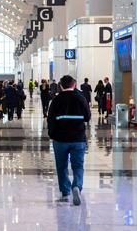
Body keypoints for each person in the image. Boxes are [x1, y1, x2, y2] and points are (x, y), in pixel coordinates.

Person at [47, 75, 91, 206]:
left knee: (62, 166)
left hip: (60, 139)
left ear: (60, 86)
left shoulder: (56, 100)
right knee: (78, 165)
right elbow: (87, 118)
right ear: (74, 85)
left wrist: (52, 135)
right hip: (78, 139)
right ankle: (77, 186)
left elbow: (50, 120)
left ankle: (65, 193)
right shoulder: (80, 98)